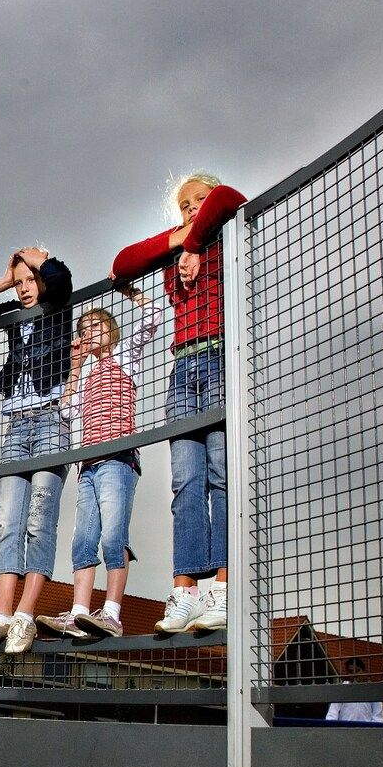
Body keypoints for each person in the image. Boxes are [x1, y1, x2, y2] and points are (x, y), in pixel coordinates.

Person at [112, 172, 247, 636]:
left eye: (199, 200)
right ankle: (186, 587)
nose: (194, 208)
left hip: (220, 356)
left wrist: (196, 242)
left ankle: (224, 586)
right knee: (185, 480)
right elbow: (122, 264)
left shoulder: (225, 233)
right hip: (182, 371)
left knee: (220, 471)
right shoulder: (178, 244)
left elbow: (230, 197)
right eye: (185, 203)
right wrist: (182, 240)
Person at [0, 248, 75, 657]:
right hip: (16, 425)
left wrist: (40, 261)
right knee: (8, 521)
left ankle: (24, 613)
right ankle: (1, 614)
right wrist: (4, 279)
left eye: (29, 281)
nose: (25, 289)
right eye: (19, 283)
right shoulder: (11, 308)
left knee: (39, 519)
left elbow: (60, 281)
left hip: (52, 419)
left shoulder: (57, 304)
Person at [41, 295, 162, 641]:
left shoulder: (125, 358)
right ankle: (79, 612)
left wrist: (131, 292)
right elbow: (67, 412)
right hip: (89, 465)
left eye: (96, 326)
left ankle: (112, 613)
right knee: (82, 539)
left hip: (117, 459)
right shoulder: (87, 372)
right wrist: (75, 368)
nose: (89, 332)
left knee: (113, 535)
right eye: (83, 328)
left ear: (112, 330)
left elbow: (152, 316)